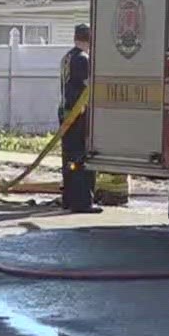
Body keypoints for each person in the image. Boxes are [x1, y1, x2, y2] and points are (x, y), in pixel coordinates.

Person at [58, 23, 99, 213]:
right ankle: (82, 201)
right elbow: (89, 86)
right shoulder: (83, 59)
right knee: (80, 158)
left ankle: (68, 197)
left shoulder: (67, 57)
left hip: (65, 111)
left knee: (68, 158)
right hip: (78, 112)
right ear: (90, 39)